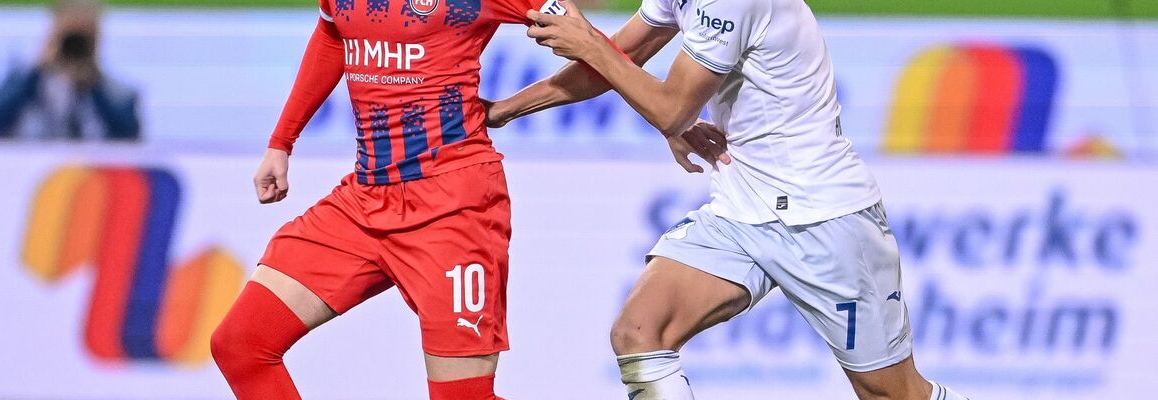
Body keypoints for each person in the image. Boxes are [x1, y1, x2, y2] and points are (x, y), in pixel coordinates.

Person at [484, 0, 972, 399]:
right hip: (738, 212)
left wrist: (592, 44)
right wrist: (505, 110)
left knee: (890, 392)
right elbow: (620, 60)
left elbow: (668, 107)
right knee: (639, 331)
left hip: (822, 217)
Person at [206, 0, 573, 398]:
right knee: (241, 345)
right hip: (364, 200)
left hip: (453, 209)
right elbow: (333, 35)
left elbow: (596, 49)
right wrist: (281, 142)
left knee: (463, 396)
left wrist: (508, 108)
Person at [0, 0, 140, 141]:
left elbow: (129, 134)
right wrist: (37, 71)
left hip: (89, 172)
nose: (74, 46)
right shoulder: (24, 79)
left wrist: (93, 84)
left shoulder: (115, 90)